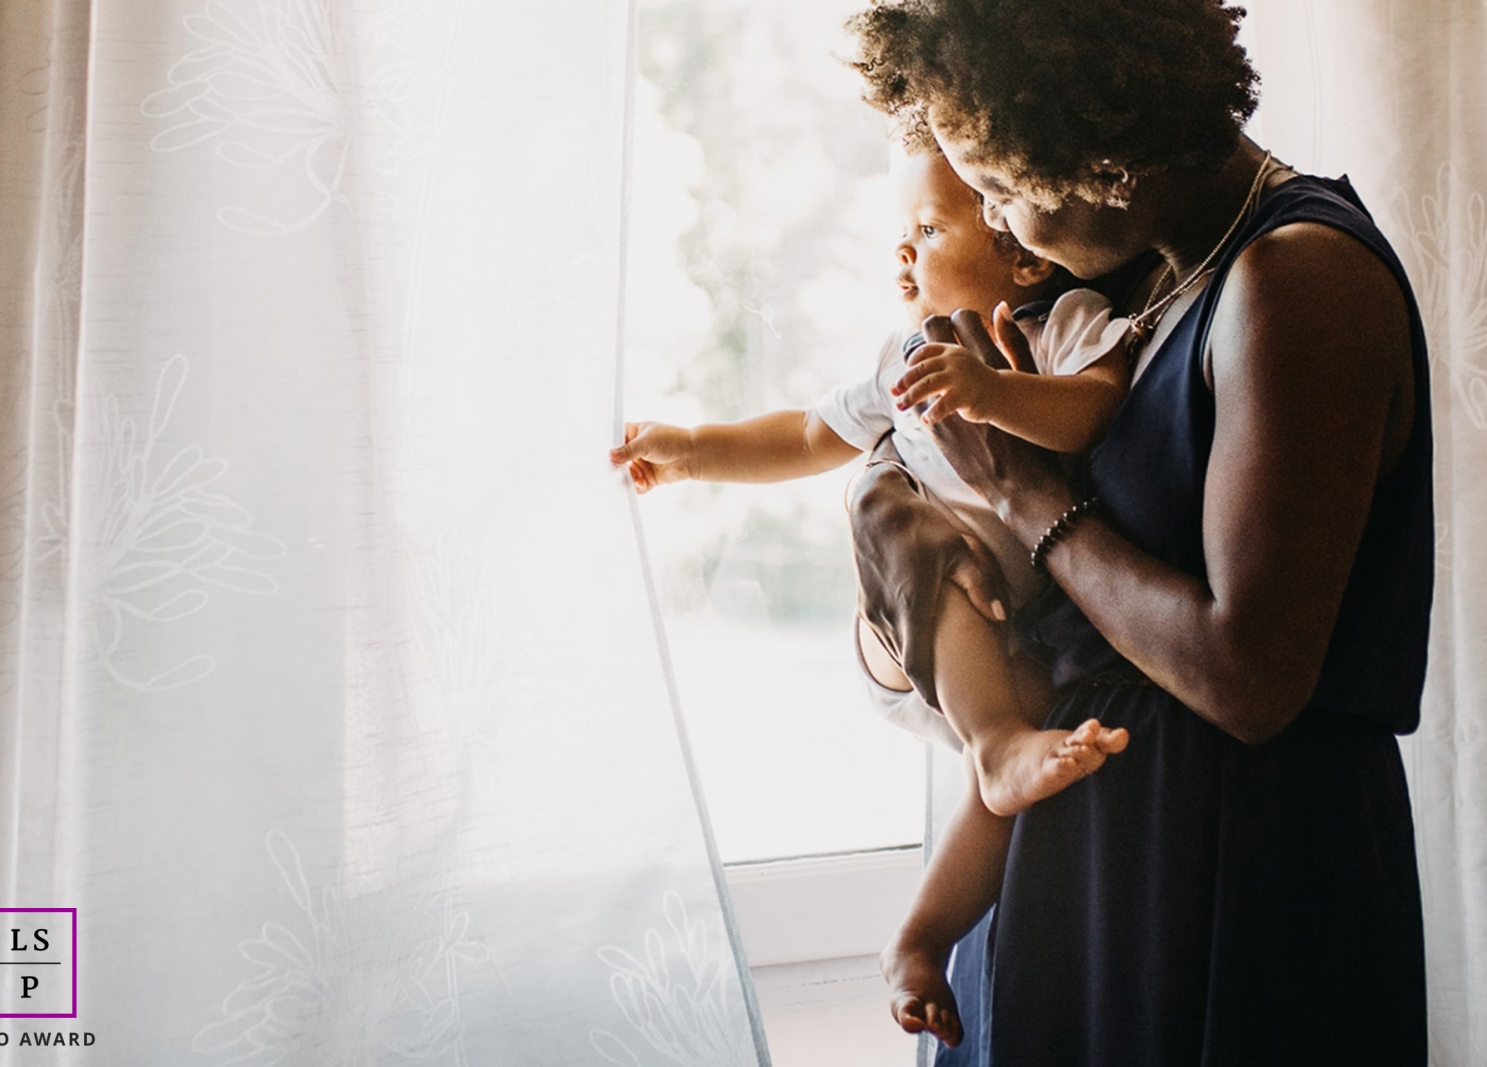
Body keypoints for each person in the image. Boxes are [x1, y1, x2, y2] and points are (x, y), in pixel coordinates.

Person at [842, 0, 1431, 1063]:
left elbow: (1249, 675)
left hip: (1226, 873)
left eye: (1005, 191)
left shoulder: (1298, 279)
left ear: (1093, 153)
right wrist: (907, 589)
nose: (1005, 225)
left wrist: (1024, 498)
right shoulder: (1132, 289)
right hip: (1068, 853)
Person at [610, 146, 1138, 1039]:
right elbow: (813, 431)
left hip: (1035, 631)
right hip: (941, 608)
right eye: (899, 233)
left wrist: (993, 392)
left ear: (1022, 251)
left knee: (1002, 783)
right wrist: (697, 448)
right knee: (974, 644)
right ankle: (998, 738)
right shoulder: (905, 353)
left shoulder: (1069, 321)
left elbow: (1096, 404)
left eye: (928, 230)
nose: (903, 253)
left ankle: (917, 941)